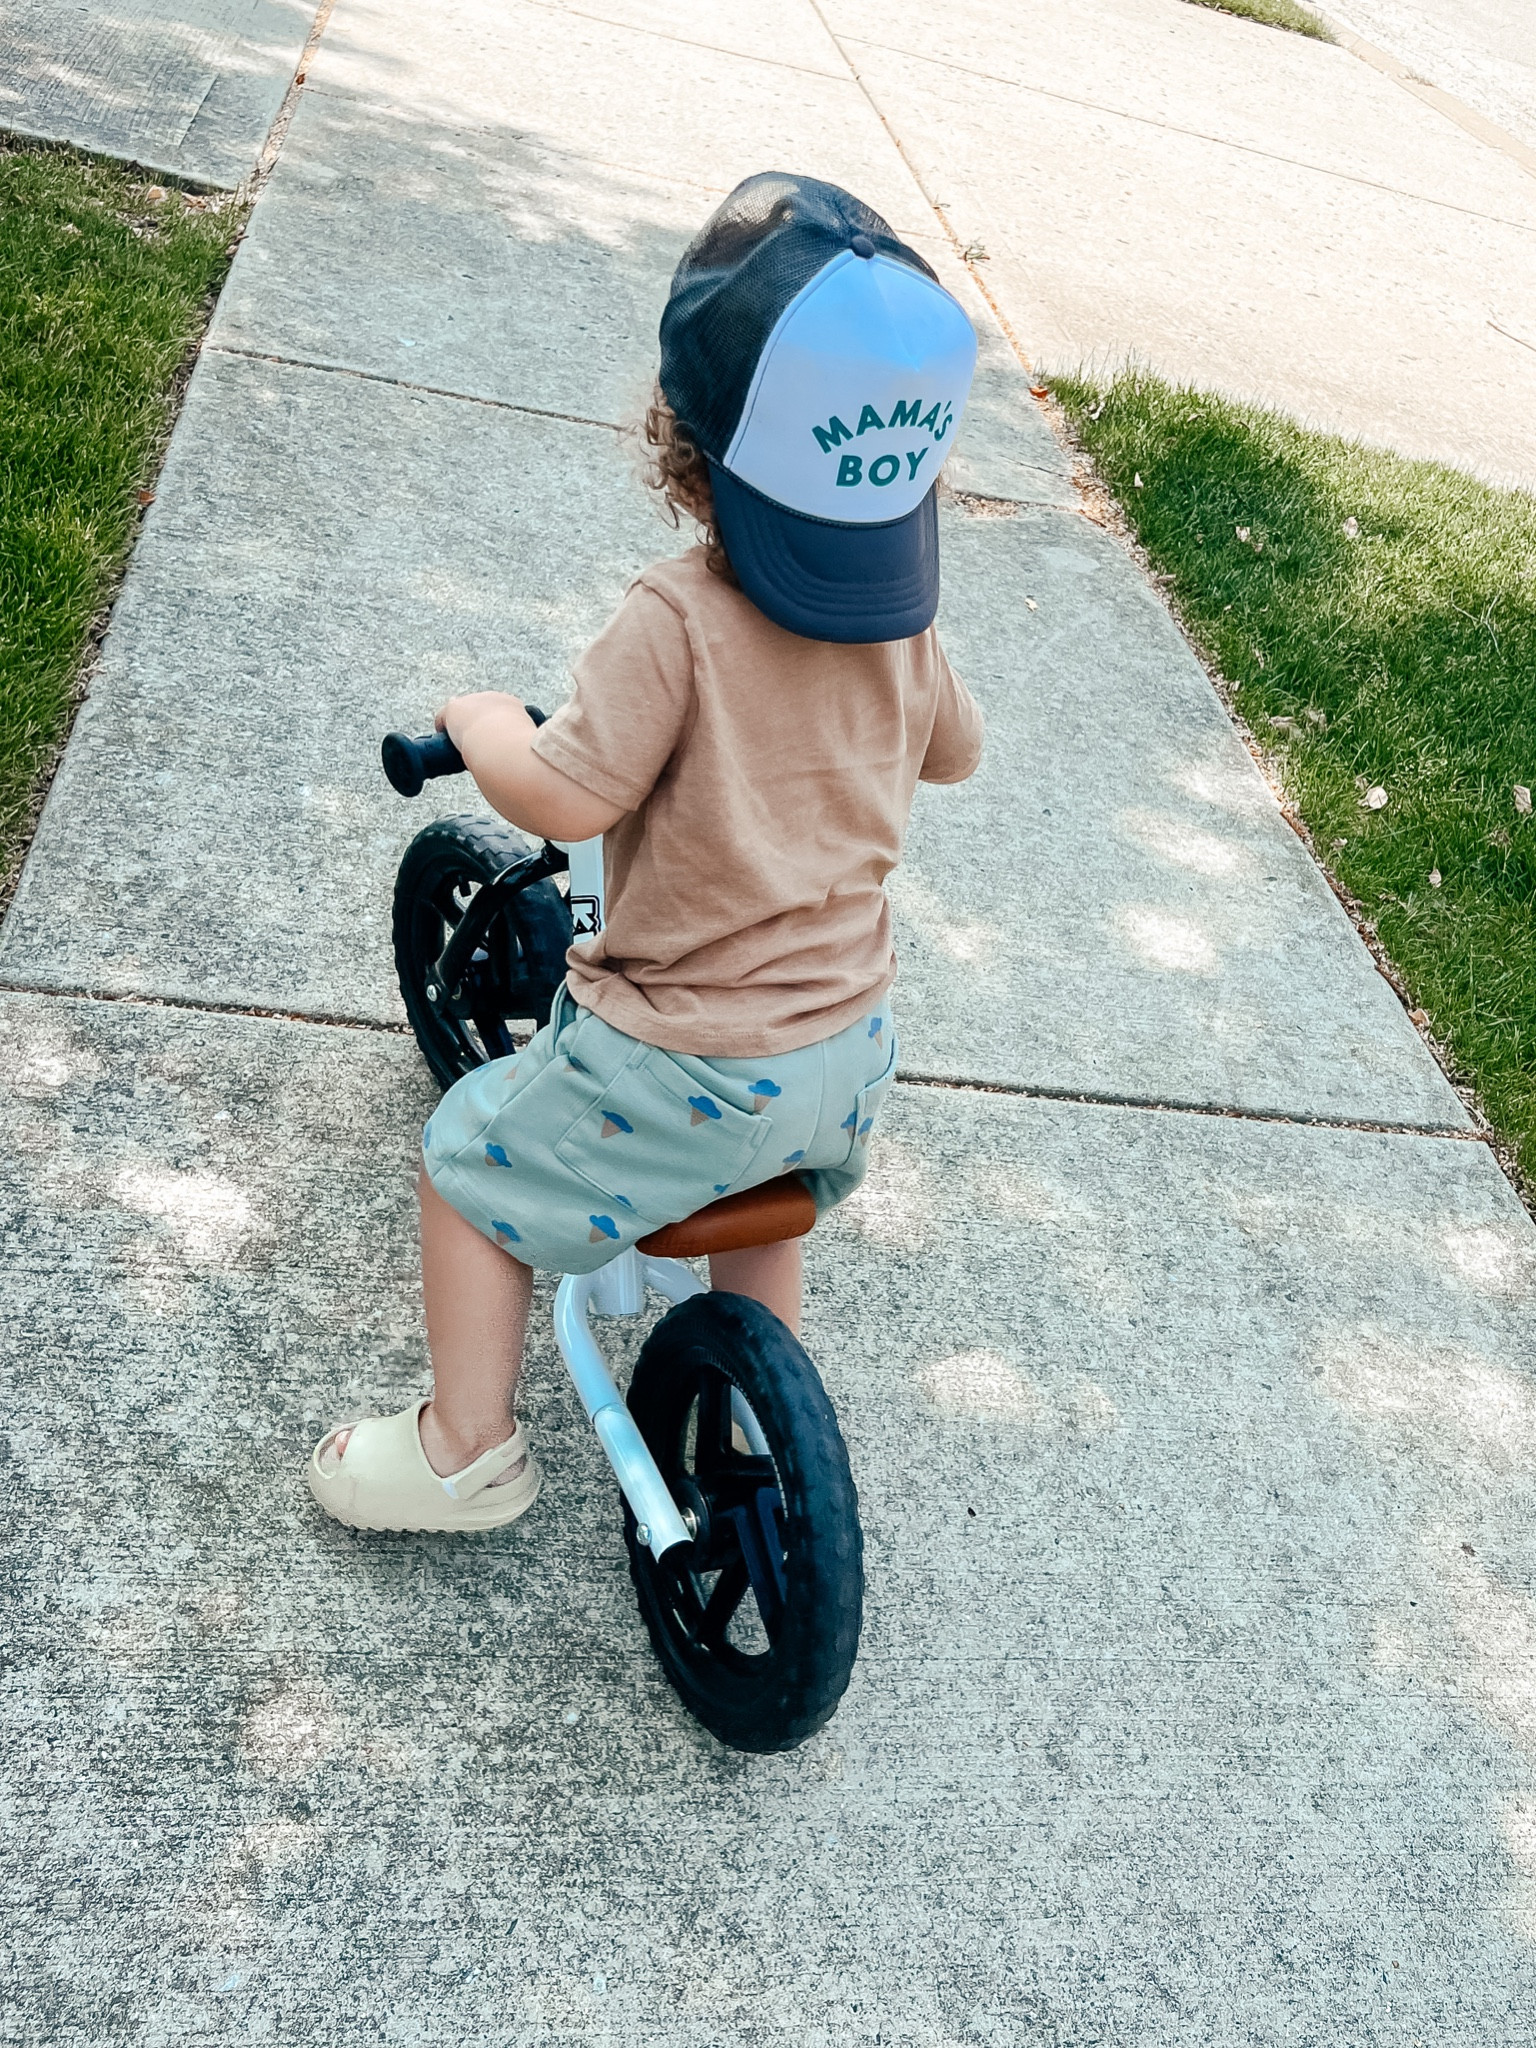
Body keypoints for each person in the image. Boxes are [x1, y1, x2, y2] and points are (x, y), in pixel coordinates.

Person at [306, 171, 985, 1533]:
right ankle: (747, 1401)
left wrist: (483, 724)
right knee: (765, 1201)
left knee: (465, 1169)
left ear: (684, 437)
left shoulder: (675, 620)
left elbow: (564, 798)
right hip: (841, 1060)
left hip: (680, 1069)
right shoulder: (901, 620)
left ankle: (460, 1452)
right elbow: (953, 752)